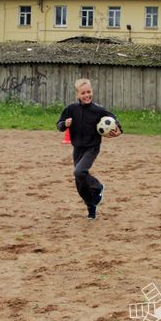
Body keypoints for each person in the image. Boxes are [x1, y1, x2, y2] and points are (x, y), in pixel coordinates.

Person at [56, 78, 122, 220]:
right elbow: (59, 125)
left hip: (92, 147)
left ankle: (98, 187)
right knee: (80, 184)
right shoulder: (71, 109)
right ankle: (91, 207)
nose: (87, 95)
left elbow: (113, 118)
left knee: (79, 172)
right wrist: (64, 124)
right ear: (77, 94)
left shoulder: (98, 110)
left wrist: (119, 130)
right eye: (83, 93)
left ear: (92, 91)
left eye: (89, 92)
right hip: (77, 148)